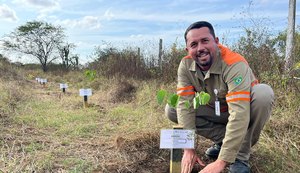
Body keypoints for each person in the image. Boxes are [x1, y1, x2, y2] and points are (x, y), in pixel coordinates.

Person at [165, 21, 274, 173]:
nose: (200, 48)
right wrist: (188, 149)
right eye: (194, 44)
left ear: (216, 41)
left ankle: (240, 156)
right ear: (188, 49)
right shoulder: (185, 65)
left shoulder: (234, 63)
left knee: (264, 94)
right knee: (172, 109)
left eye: (205, 41)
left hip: (242, 110)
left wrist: (221, 162)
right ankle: (223, 142)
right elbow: (185, 104)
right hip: (216, 111)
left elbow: (239, 113)